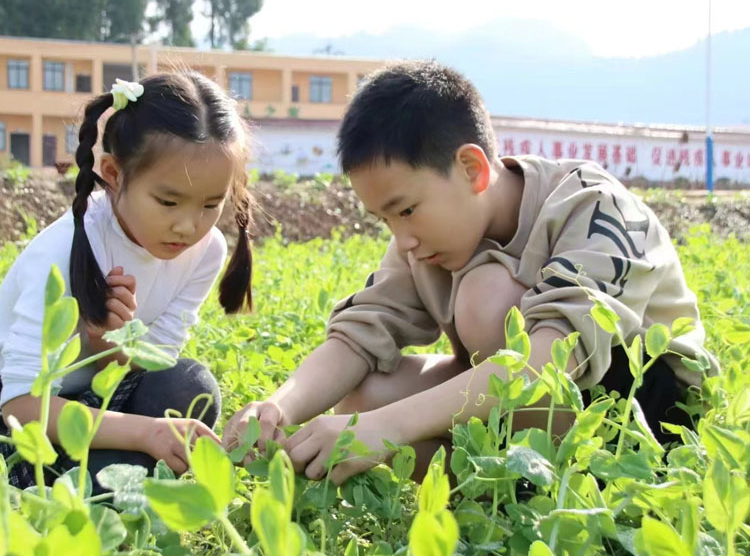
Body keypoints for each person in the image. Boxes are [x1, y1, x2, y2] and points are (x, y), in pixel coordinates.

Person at [223, 60, 716, 485]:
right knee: (362, 400)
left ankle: (543, 482)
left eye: (407, 210)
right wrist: (278, 408)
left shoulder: (592, 204)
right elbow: (360, 334)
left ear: (471, 169)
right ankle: (501, 482)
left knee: (486, 297)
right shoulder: (424, 240)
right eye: (386, 219)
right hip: (532, 410)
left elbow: (550, 360)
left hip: (642, 412)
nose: (403, 238)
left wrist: (387, 429)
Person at [0, 72, 254, 489]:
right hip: (24, 425)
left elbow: (159, 362)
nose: (188, 226)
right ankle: (96, 484)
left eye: (211, 204)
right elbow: (19, 406)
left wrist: (110, 348)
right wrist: (144, 433)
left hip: (96, 407)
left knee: (186, 385)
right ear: (114, 174)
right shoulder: (64, 252)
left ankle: (99, 482)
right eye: (168, 201)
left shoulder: (206, 251)